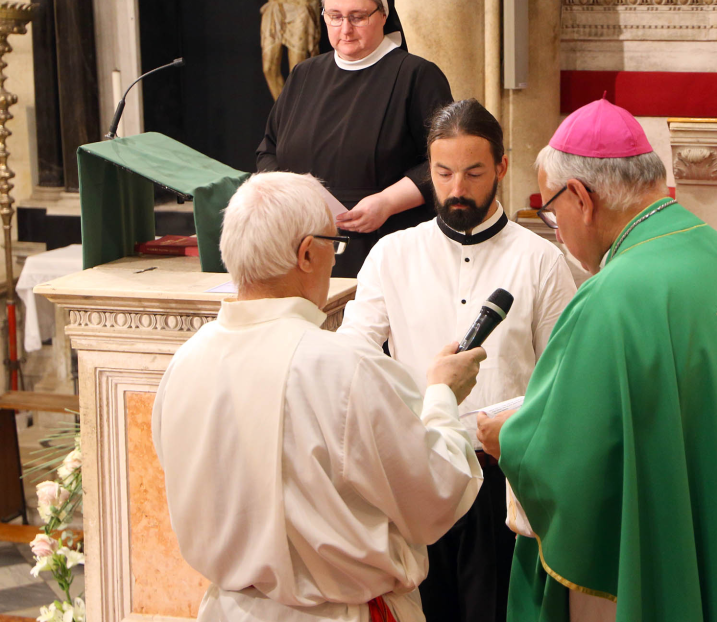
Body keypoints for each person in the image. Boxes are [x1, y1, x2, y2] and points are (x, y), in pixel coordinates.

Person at [478, 98, 717, 621]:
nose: (556, 227)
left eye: (551, 211)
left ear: (580, 197)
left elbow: (569, 458)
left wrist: (507, 439)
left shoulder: (614, 296)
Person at [152, 171, 486, 622]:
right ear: (306, 253)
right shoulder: (339, 367)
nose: (334, 261)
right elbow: (433, 496)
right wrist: (443, 394)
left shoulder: (185, 364)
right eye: (334, 244)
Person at [337, 99, 578, 622]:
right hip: (413, 474)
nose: (457, 188)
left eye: (473, 173)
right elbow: (351, 354)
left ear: (501, 167)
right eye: (443, 173)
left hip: (500, 476)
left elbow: (563, 377)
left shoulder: (541, 260)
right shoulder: (392, 255)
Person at [256, 0, 453, 277]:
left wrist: (386, 202)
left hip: (384, 247)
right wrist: (286, 198)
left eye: (358, 17)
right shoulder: (304, 74)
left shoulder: (416, 76)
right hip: (301, 246)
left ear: (383, 15)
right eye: (334, 17)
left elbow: (445, 162)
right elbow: (269, 149)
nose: (344, 29)